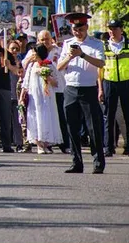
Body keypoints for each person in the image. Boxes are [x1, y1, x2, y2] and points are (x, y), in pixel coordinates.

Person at [58, 13, 106, 174]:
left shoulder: (96, 43)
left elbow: (101, 63)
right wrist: (70, 57)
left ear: (86, 27)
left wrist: (83, 55)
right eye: (74, 29)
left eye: (80, 29)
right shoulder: (67, 44)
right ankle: (76, 162)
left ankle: (98, 162)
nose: (77, 32)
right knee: (72, 127)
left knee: (93, 128)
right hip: (71, 88)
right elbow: (59, 67)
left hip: (88, 88)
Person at [20, 31, 62, 154]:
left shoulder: (50, 65)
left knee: (48, 116)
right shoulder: (32, 66)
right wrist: (22, 96)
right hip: (35, 95)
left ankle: (46, 143)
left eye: (47, 39)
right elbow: (26, 81)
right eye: (42, 39)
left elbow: (56, 82)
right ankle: (39, 144)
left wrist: (47, 76)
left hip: (48, 95)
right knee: (36, 116)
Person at [102, 18, 128, 157]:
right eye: (110, 29)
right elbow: (99, 69)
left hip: (126, 82)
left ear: (121, 30)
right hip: (109, 82)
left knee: (127, 115)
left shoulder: (127, 44)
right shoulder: (104, 46)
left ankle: (128, 145)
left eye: (115, 28)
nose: (112, 31)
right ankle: (108, 147)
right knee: (108, 116)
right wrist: (100, 88)